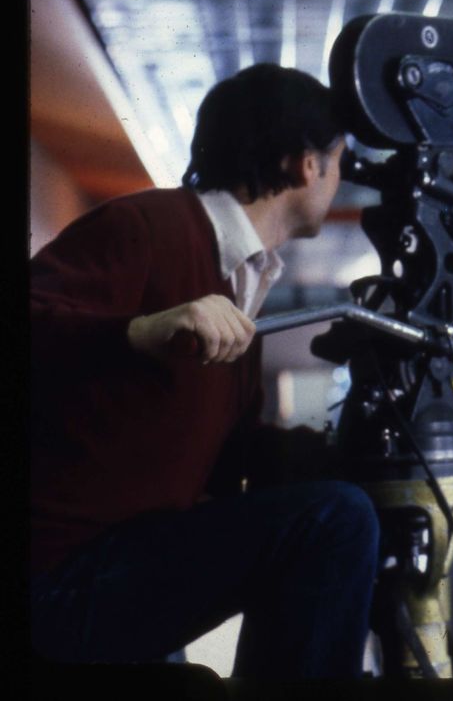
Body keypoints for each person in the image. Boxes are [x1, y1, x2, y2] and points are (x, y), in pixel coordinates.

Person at [29, 63, 380, 679]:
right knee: (333, 520)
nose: (339, 178)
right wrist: (140, 330)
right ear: (306, 165)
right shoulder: (145, 227)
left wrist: (330, 455)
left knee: (339, 505)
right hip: (57, 578)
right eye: (338, 161)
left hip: (119, 557)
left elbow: (225, 453)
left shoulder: (243, 276)